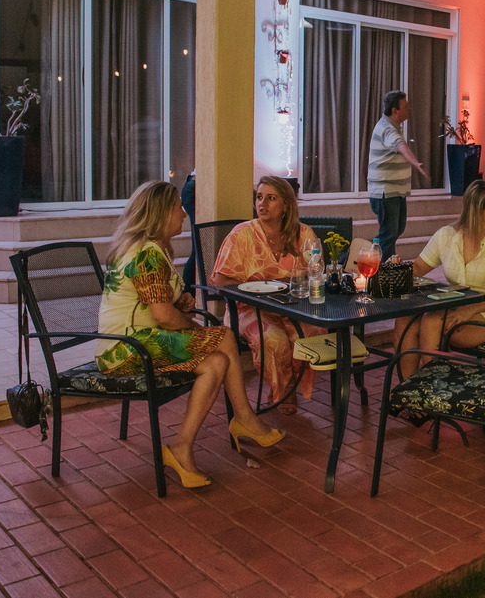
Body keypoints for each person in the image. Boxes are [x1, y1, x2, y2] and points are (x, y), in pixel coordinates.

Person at [97, 181, 284, 489]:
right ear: (160, 214)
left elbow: (155, 303)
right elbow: (163, 317)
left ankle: (181, 447)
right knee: (223, 337)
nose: (184, 213)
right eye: (178, 208)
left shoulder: (151, 248)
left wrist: (179, 301)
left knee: (216, 363)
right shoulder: (145, 254)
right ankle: (244, 419)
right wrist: (195, 329)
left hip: (139, 341)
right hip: (127, 349)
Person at [211, 175, 326, 415]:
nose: (262, 203)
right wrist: (256, 289)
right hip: (247, 308)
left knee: (311, 332)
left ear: (286, 205)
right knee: (273, 339)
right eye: (259, 197)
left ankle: (291, 381)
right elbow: (221, 280)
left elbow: (316, 271)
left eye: (271, 198)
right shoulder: (241, 234)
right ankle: (284, 389)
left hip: (292, 306)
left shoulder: (304, 234)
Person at [395, 180, 485, 378]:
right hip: (454, 307)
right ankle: (408, 386)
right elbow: (419, 267)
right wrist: (396, 270)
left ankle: (433, 388)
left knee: (431, 320)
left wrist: (470, 310)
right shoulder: (446, 236)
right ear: (477, 207)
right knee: (405, 319)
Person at [367, 90, 429, 259]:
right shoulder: (387, 128)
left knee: (396, 230)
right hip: (385, 192)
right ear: (394, 110)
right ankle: (385, 268)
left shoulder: (393, 126)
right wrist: (415, 163)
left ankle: (364, 253)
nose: (409, 109)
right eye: (405, 106)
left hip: (395, 191)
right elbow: (400, 145)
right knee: (389, 233)